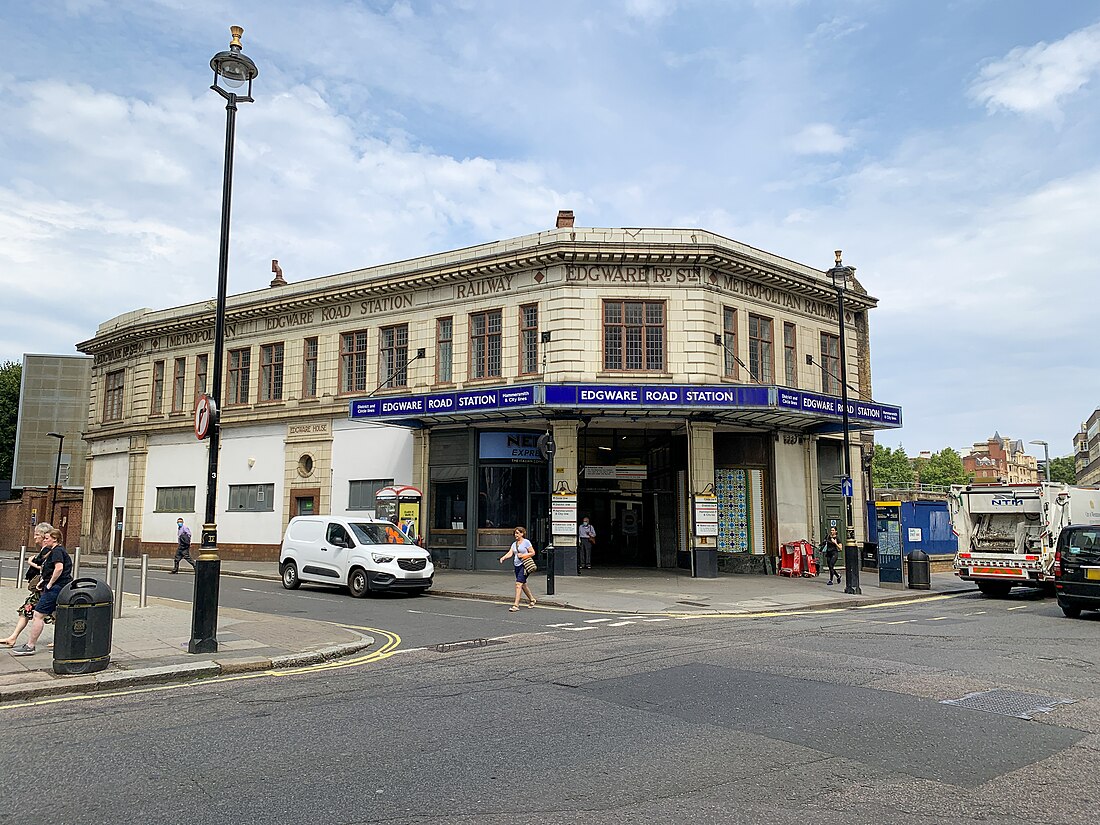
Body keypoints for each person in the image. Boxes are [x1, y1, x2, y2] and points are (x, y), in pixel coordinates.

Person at [10, 526, 73, 656]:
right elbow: (49, 570)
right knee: (57, 615)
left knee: (38, 615)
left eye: (47, 538)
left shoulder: (57, 551)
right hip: (58, 586)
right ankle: (64, 643)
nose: (45, 540)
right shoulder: (56, 551)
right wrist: (42, 582)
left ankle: (30, 646)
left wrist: (49, 584)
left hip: (55, 588)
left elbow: (59, 568)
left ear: (54, 539)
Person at [0, 524, 52, 648]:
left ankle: (61, 639)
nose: (34, 537)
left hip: (45, 589)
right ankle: (13, 637)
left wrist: (30, 563)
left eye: (37, 534)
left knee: (55, 614)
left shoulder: (49, 551)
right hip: (40, 590)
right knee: (26, 610)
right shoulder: (44, 550)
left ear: (45, 535)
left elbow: (48, 569)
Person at [498, 526, 537, 612]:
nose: (516, 535)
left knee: (518, 584)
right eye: (515, 533)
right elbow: (510, 553)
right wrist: (503, 558)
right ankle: (532, 599)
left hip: (524, 565)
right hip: (517, 566)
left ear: (522, 534)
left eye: (517, 533)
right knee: (523, 584)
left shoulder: (526, 542)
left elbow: (533, 552)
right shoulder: (514, 544)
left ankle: (516, 605)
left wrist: (523, 555)